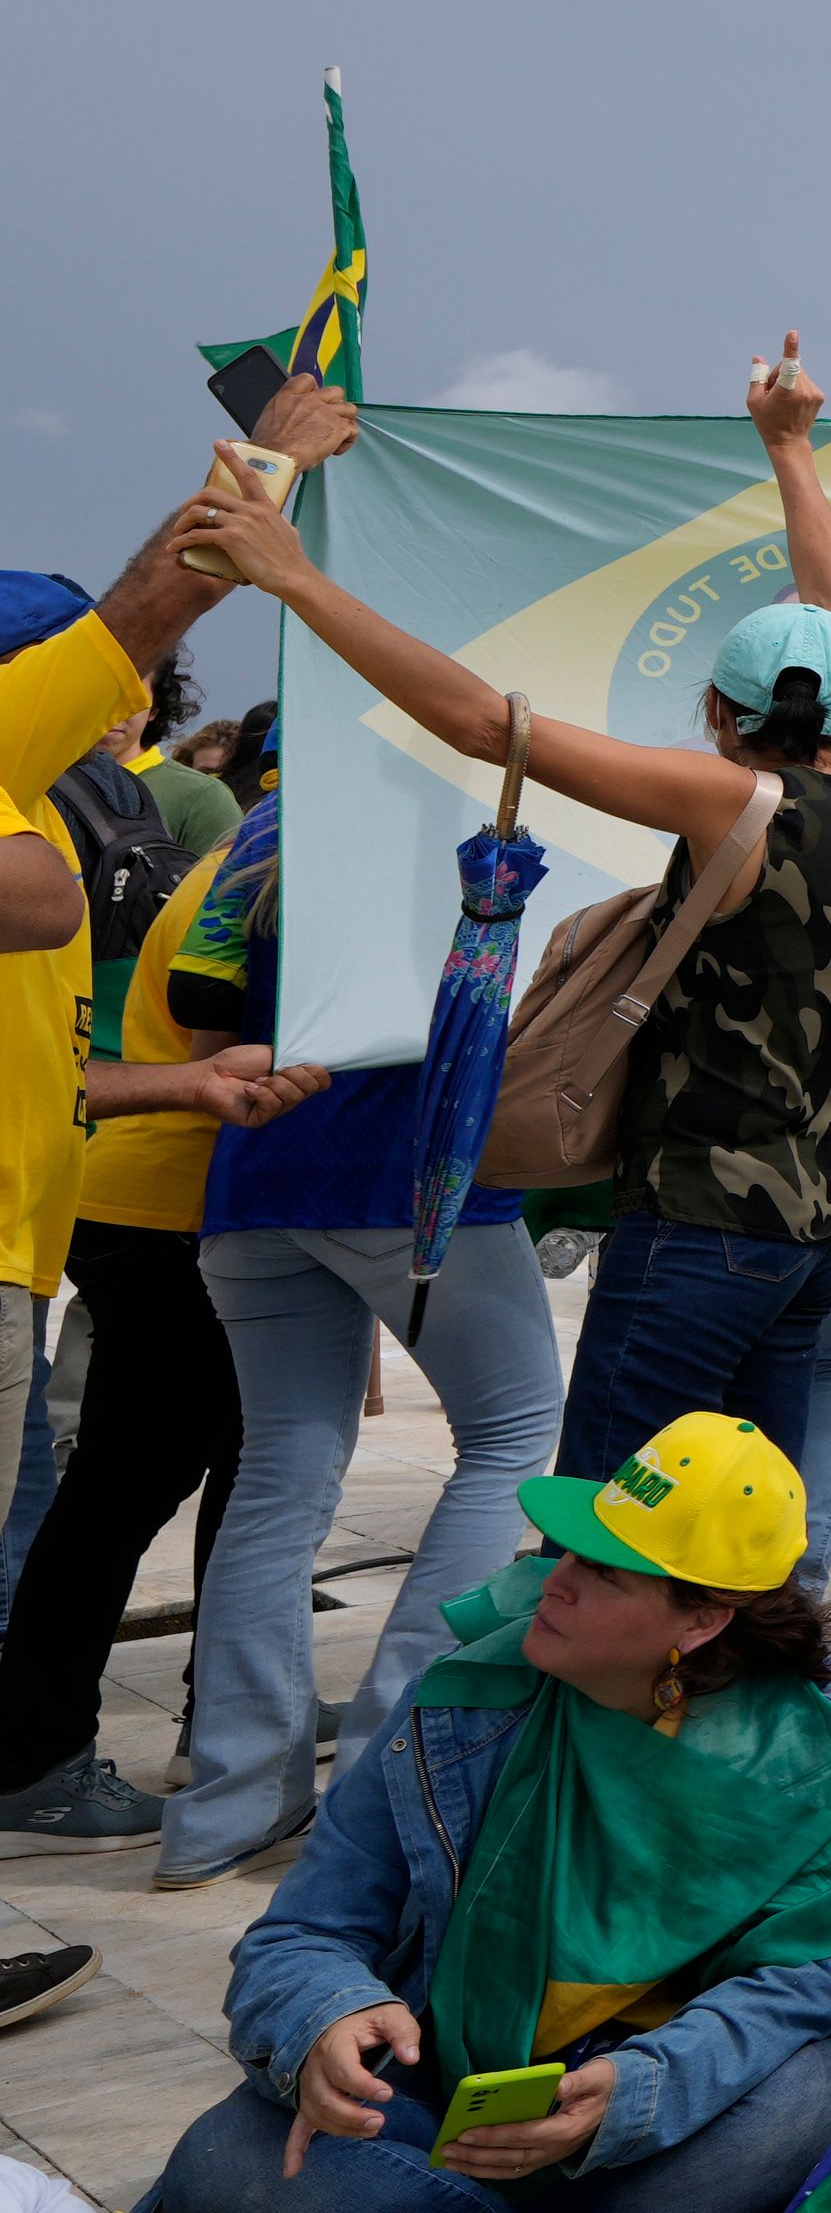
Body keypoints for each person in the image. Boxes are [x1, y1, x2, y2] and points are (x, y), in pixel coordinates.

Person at [218, 340, 831, 1481]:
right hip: (824, 1222)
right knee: (746, 1516)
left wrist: (297, 579)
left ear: (718, 709)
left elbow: (482, 725)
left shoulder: (726, 795)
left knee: (606, 1512)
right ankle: (764, 1662)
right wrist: (792, 448)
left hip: (704, 1221)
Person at [150, 1412, 831, 2213]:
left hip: (660, 2088)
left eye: (608, 1574)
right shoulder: (460, 1703)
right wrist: (329, 2014)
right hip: (450, 2075)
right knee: (232, 2159)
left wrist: (642, 2090)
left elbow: (798, 1986)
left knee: (820, 2089)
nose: (556, 1579)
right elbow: (307, 1930)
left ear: (702, 1620)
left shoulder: (819, 1777)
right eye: (570, 1549)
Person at [0, 443, 344, 1888]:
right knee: (153, 1467)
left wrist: (189, 1084)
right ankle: (69, 1742)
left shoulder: (61, 811)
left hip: (103, 1190)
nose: (130, 688)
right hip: (157, 1205)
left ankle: (200, 1709)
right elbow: (206, 994)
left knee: (173, 1461)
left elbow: (73, 1049)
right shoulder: (238, 838)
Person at [127, 794, 558, 1888]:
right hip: (411, 1172)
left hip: (255, 1174)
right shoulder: (469, 820)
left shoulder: (267, 828)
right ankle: (381, 1786)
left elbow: (200, 1014)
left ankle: (228, 1805)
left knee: (278, 1475)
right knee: (510, 1439)